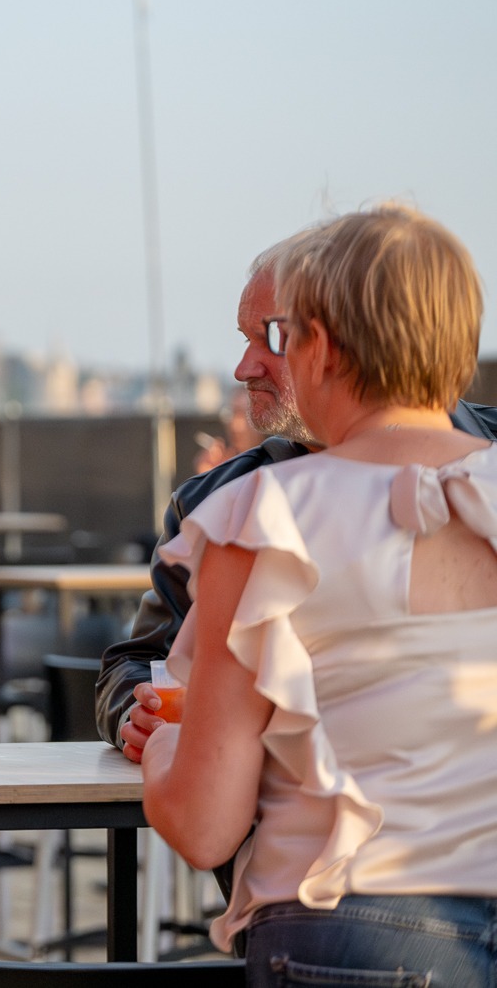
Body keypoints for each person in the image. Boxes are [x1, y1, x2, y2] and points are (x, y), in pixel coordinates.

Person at [141, 206, 497, 974]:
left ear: (323, 349)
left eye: (282, 336)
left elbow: (204, 825)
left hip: (355, 931)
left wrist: (165, 745)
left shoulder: (265, 515)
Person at [97, 240, 497, 761]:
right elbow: (142, 662)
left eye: (273, 338)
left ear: (344, 343)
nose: (244, 368)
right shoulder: (219, 504)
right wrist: (137, 712)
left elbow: (202, 822)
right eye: (245, 340)